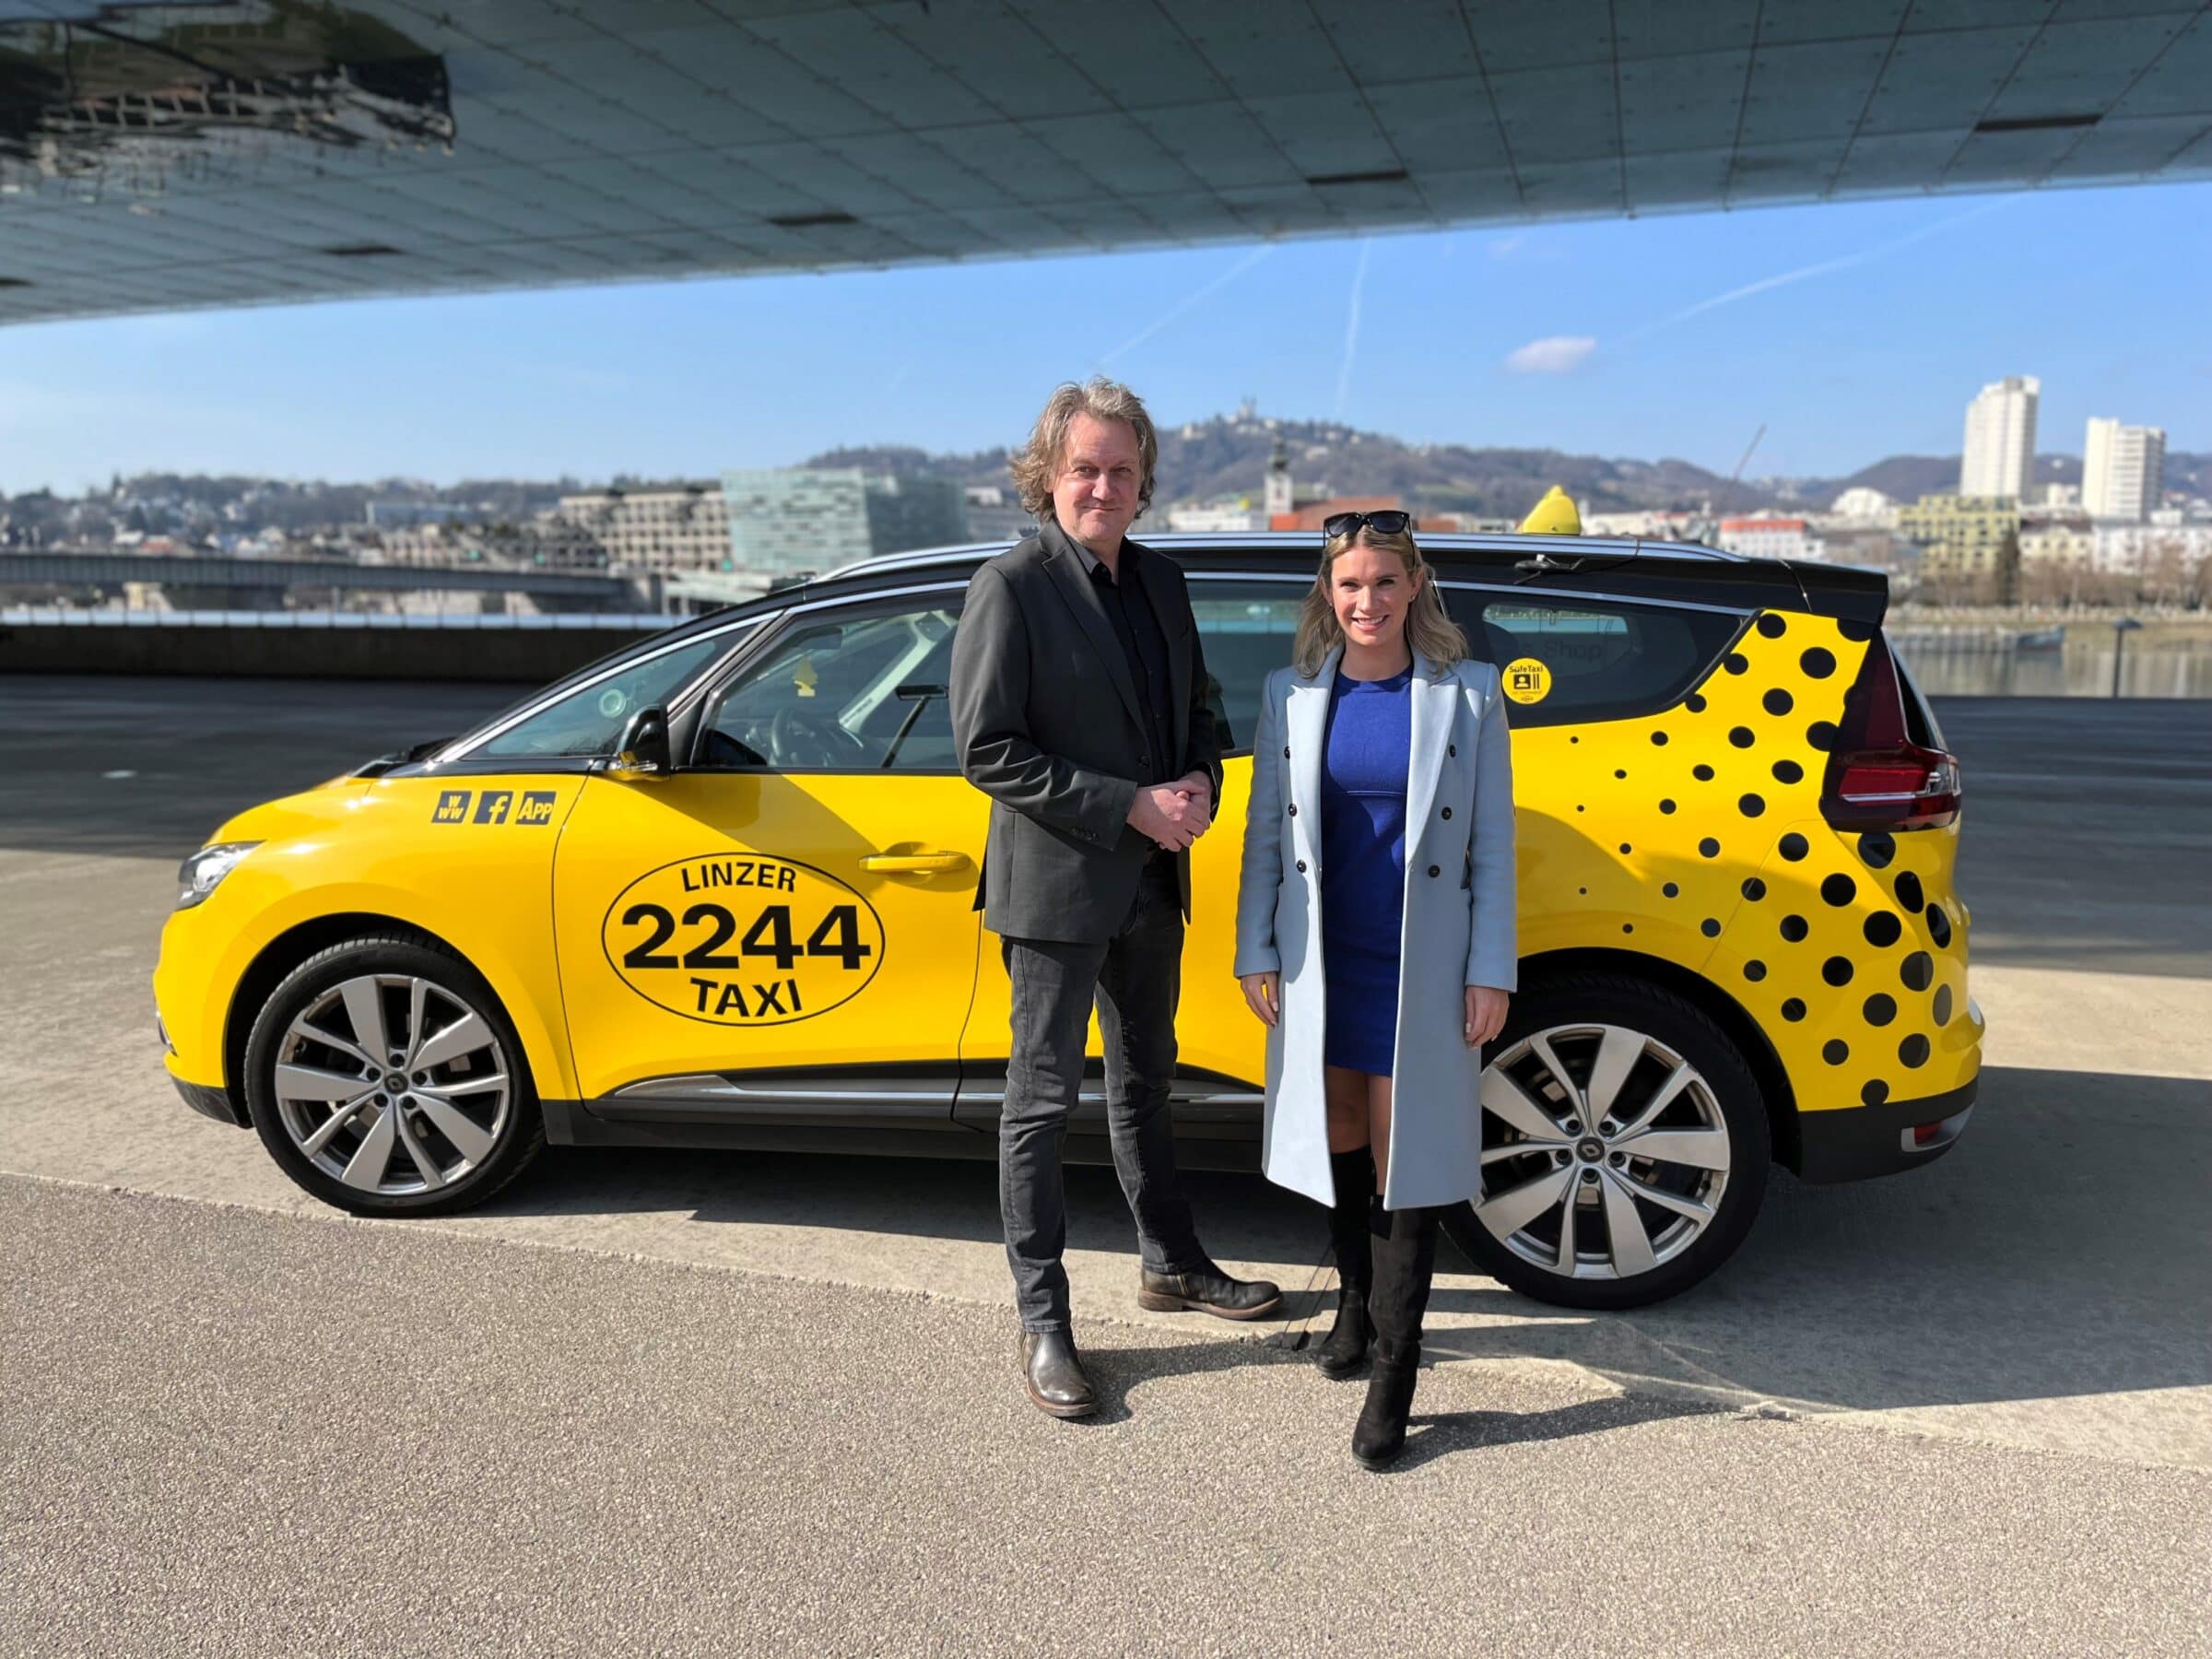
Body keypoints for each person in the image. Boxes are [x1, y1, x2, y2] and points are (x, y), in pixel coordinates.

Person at [950, 377, 1282, 1421]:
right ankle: (1043, 1318)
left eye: (1122, 471)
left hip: (1151, 883)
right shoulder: (1011, 586)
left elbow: (1200, 710)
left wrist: (1199, 783)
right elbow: (987, 749)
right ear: (1049, 475)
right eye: (1085, 469)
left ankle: (1170, 1263)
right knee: (1041, 1104)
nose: (1104, 487)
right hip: (1056, 890)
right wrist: (1127, 804)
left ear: (1144, 483)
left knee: (1147, 1083)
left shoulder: (1163, 583)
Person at [1232, 511, 1516, 1468]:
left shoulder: (1468, 695)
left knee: (1407, 1162)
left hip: (1419, 967)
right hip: (1324, 961)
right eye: (1350, 583)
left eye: (1385, 581)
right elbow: (1266, 834)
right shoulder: (1291, 694)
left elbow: (1492, 846)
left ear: (1415, 586)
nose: (1368, 601)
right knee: (1341, 1134)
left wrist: (1490, 969)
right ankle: (1354, 1304)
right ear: (1329, 592)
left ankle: (1396, 1369)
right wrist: (1255, 948)